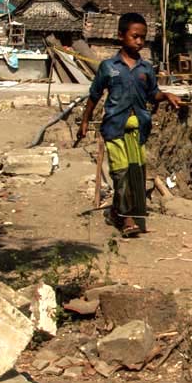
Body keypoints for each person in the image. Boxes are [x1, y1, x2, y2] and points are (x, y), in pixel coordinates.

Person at [78, 13, 181, 237]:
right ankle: (127, 220)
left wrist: (167, 95)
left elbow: (153, 94)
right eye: (135, 36)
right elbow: (94, 96)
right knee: (120, 172)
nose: (139, 42)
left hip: (139, 130)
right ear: (120, 36)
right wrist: (85, 121)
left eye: (143, 38)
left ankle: (119, 210)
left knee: (135, 173)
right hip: (114, 127)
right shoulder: (108, 67)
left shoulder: (146, 69)